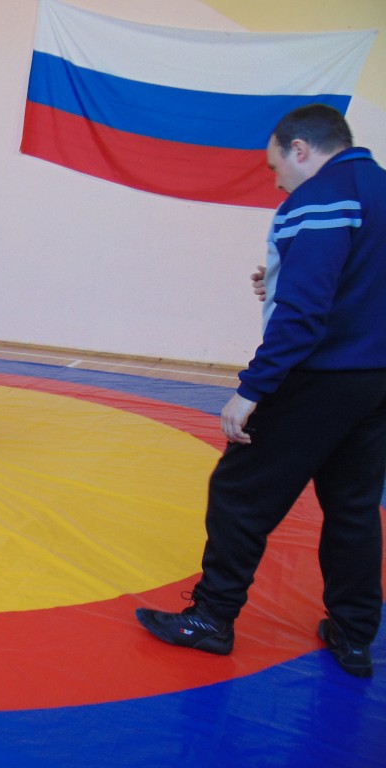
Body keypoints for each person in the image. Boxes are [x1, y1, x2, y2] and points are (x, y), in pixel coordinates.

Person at [135, 104, 386, 679]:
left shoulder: (319, 198)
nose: (277, 182)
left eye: (276, 167)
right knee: (353, 507)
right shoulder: (377, 189)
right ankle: (353, 634)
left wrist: (251, 390)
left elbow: (305, 313)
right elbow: (359, 281)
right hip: (374, 383)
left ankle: (212, 618)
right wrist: (281, 280)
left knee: (239, 492)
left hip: (317, 377)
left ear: (301, 148)